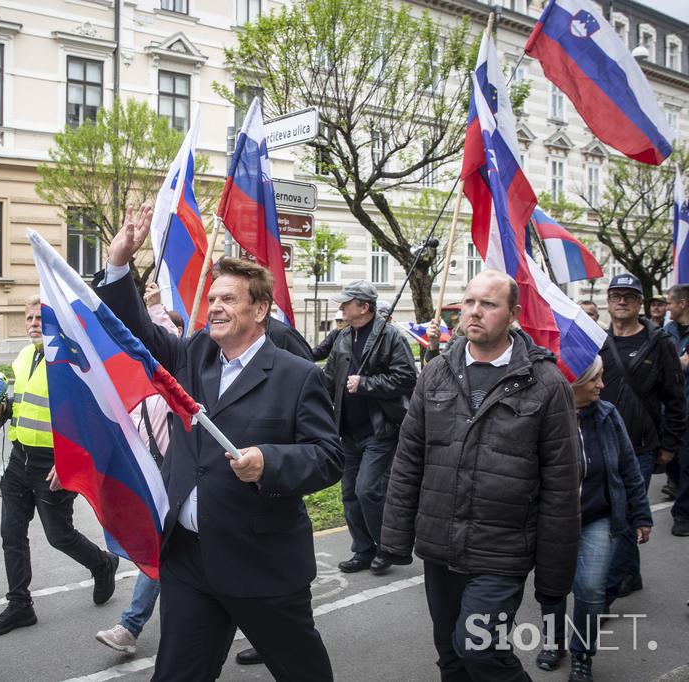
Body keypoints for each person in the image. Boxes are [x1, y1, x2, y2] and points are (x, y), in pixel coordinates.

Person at [96, 203, 343, 682]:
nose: (215, 308)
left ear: (261, 309)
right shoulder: (194, 355)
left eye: (229, 299)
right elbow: (136, 337)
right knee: (177, 674)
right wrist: (119, 262)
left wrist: (268, 462)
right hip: (189, 559)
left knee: (302, 671)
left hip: (261, 563)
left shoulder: (296, 375)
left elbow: (328, 456)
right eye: (212, 300)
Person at [381, 269, 582, 682]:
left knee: (481, 650)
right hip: (440, 547)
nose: (474, 312)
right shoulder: (436, 372)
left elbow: (562, 486)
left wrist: (553, 576)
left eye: (488, 304)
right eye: (469, 301)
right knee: (450, 658)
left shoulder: (545, 383)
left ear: (513, 314)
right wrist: (396, 540)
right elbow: (408, 461)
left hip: (502, 551)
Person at [0, 295, 119, 638]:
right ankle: (20, 605)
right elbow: (20, 404)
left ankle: (103, 564)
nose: (32, 323)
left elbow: (91, 418)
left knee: (59, 536)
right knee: (11, 535)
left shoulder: (70, 363)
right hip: (19, 457)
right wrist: (2, 410)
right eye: (28, 318)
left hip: (53, 464)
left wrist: (69, 462)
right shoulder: (24, 356)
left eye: (39, 318)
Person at [534, 356, 652, 682]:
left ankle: (582, 655)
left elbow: (628, 467)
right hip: (553, 520)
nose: (602, 385)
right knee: (552, 589)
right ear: (572, 382)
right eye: (594, 379)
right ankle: (553, 642)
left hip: (597, 517)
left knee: (590, 588)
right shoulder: (542, 417)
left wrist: (641, 514)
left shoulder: (608, 415)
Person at [96, 283, 182, 655]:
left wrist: (155, 308)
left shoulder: (173, 388)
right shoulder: (131, 390)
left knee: (166, 553)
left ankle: (130, 626)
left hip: (179, 482)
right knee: (164, 553)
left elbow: (168, 352)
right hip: (150, 481)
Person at [598, 274, 684, 603]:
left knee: (624, 515)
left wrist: (670, 445)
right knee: (611, 512)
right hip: (602, 445)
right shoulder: (598, 341)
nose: (622, 301)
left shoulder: (659, 342)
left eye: (629, 297)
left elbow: (675, 399)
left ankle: (604, 591)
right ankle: (630, 573)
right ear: (608, 301)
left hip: (642, 446)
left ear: (639, 304)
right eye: (616, 296)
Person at [325, 280, 416, 576]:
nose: (340, 307)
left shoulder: (390, 337)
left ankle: (387, 547)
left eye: (346, 303)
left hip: (379, 431)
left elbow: (406, 378)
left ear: (364, 307)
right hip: (347, 432)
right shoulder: (342, 336)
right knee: (349, 493)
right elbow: (329, 377)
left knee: (368, 491)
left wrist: (366, 383)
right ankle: (363, 550)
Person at [663, 284, 689, 537]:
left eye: (670, 302)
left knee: (686, 464)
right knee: (670, 462)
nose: (667, 306)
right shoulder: (667, 331)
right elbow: (669, 365)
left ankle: (682, 515)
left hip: (688, 409)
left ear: (682, 304)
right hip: (669, 409)